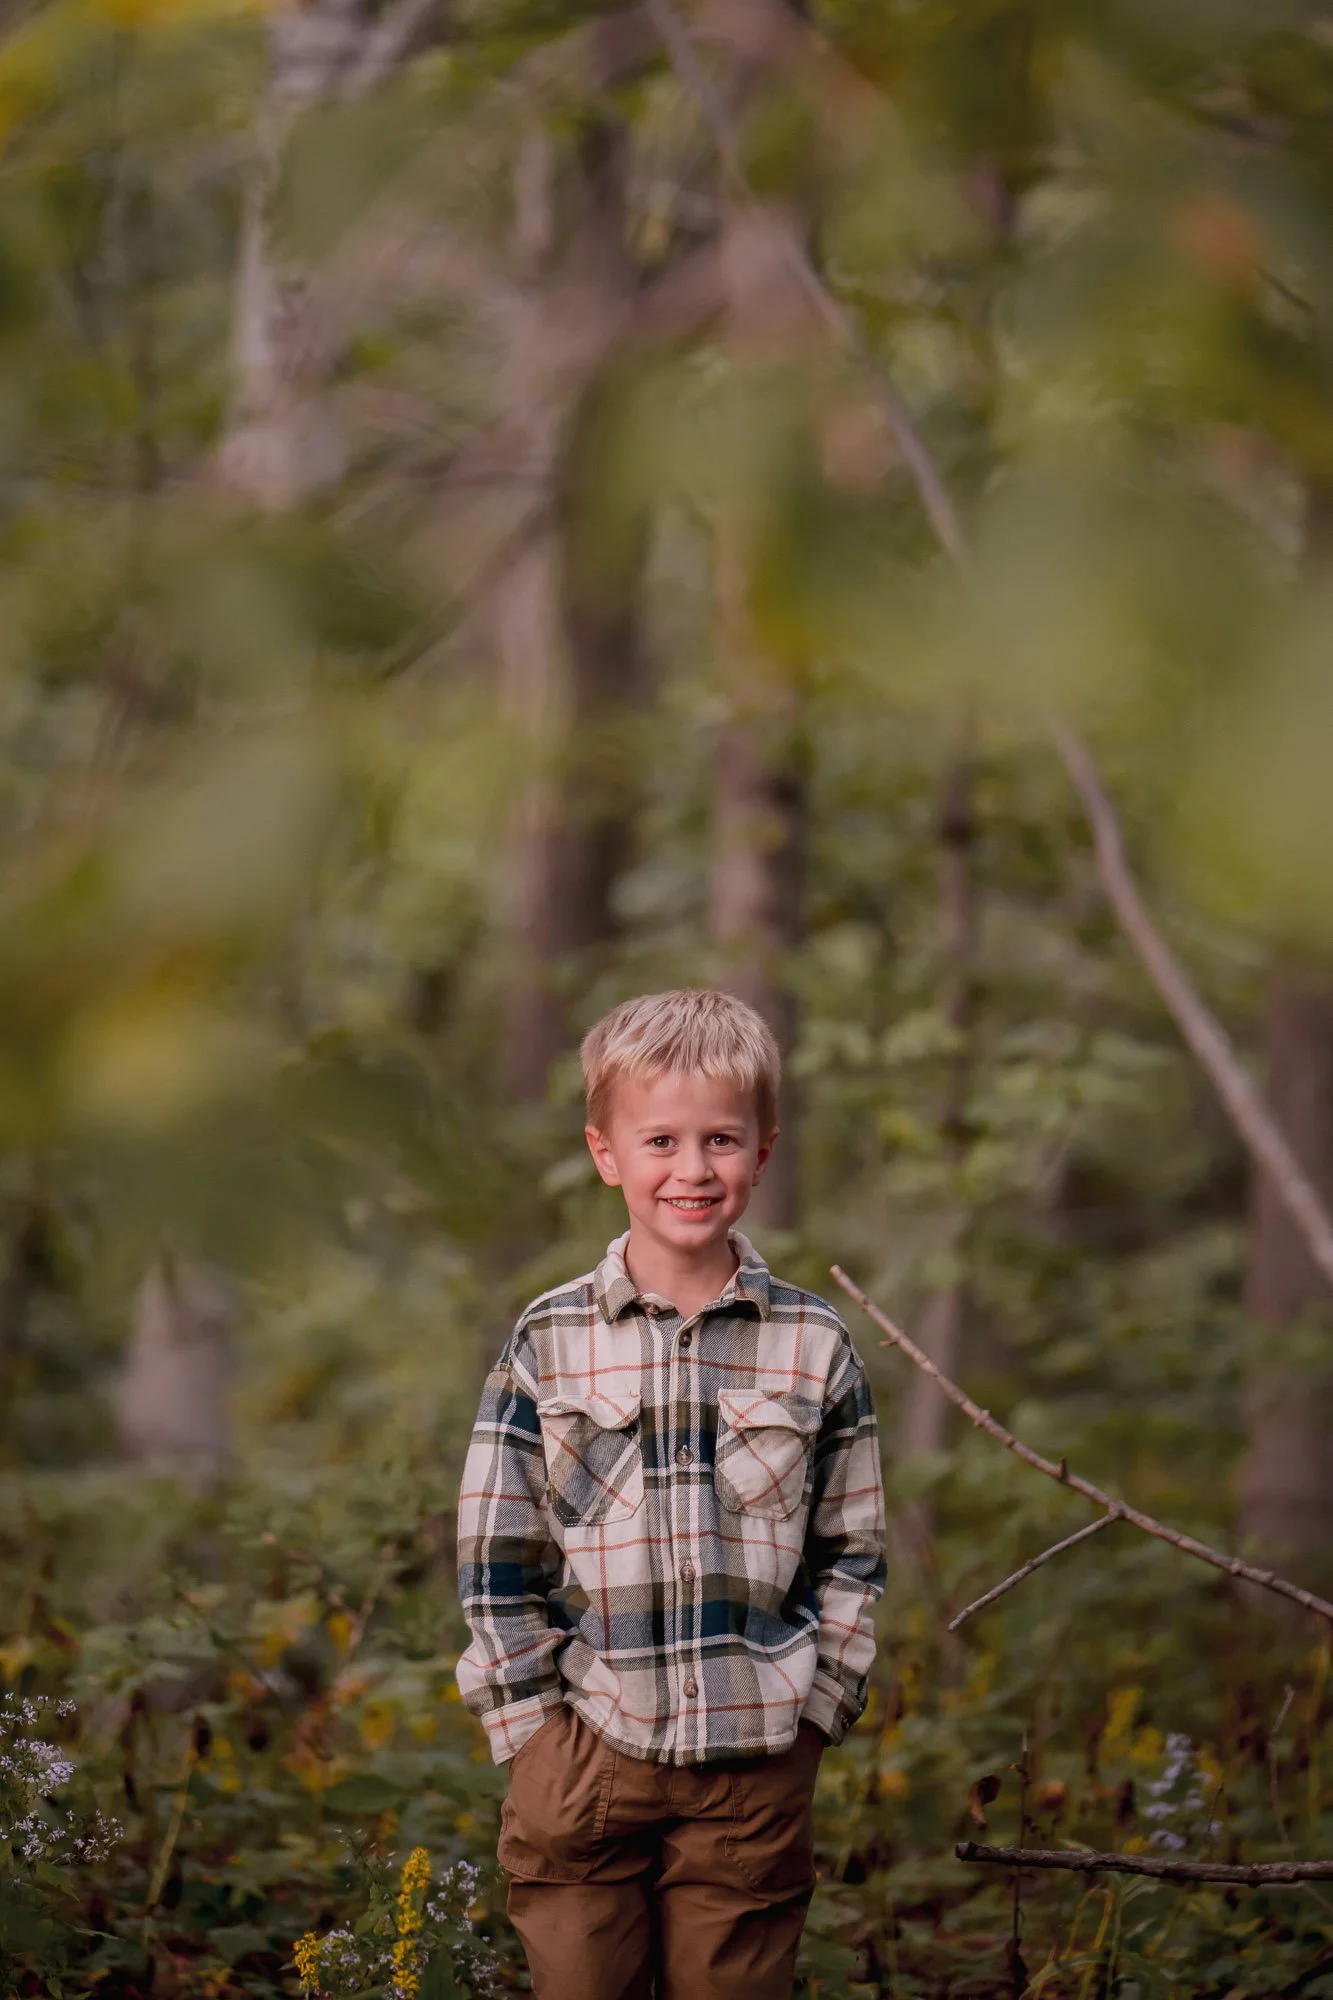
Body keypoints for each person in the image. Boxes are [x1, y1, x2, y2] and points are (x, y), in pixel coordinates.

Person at [456, 988, 887, 2000]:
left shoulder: (812, 1342)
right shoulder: (550, 1338)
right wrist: (528, 1727)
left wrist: (817, 1711)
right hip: (588, 1747)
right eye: (660, 1139)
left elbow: (853, 1548)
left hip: (755, 1756)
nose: (691, 1169)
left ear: (762, 1151)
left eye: (720, 1140)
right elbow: (494, 1549)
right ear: (606, 1151)